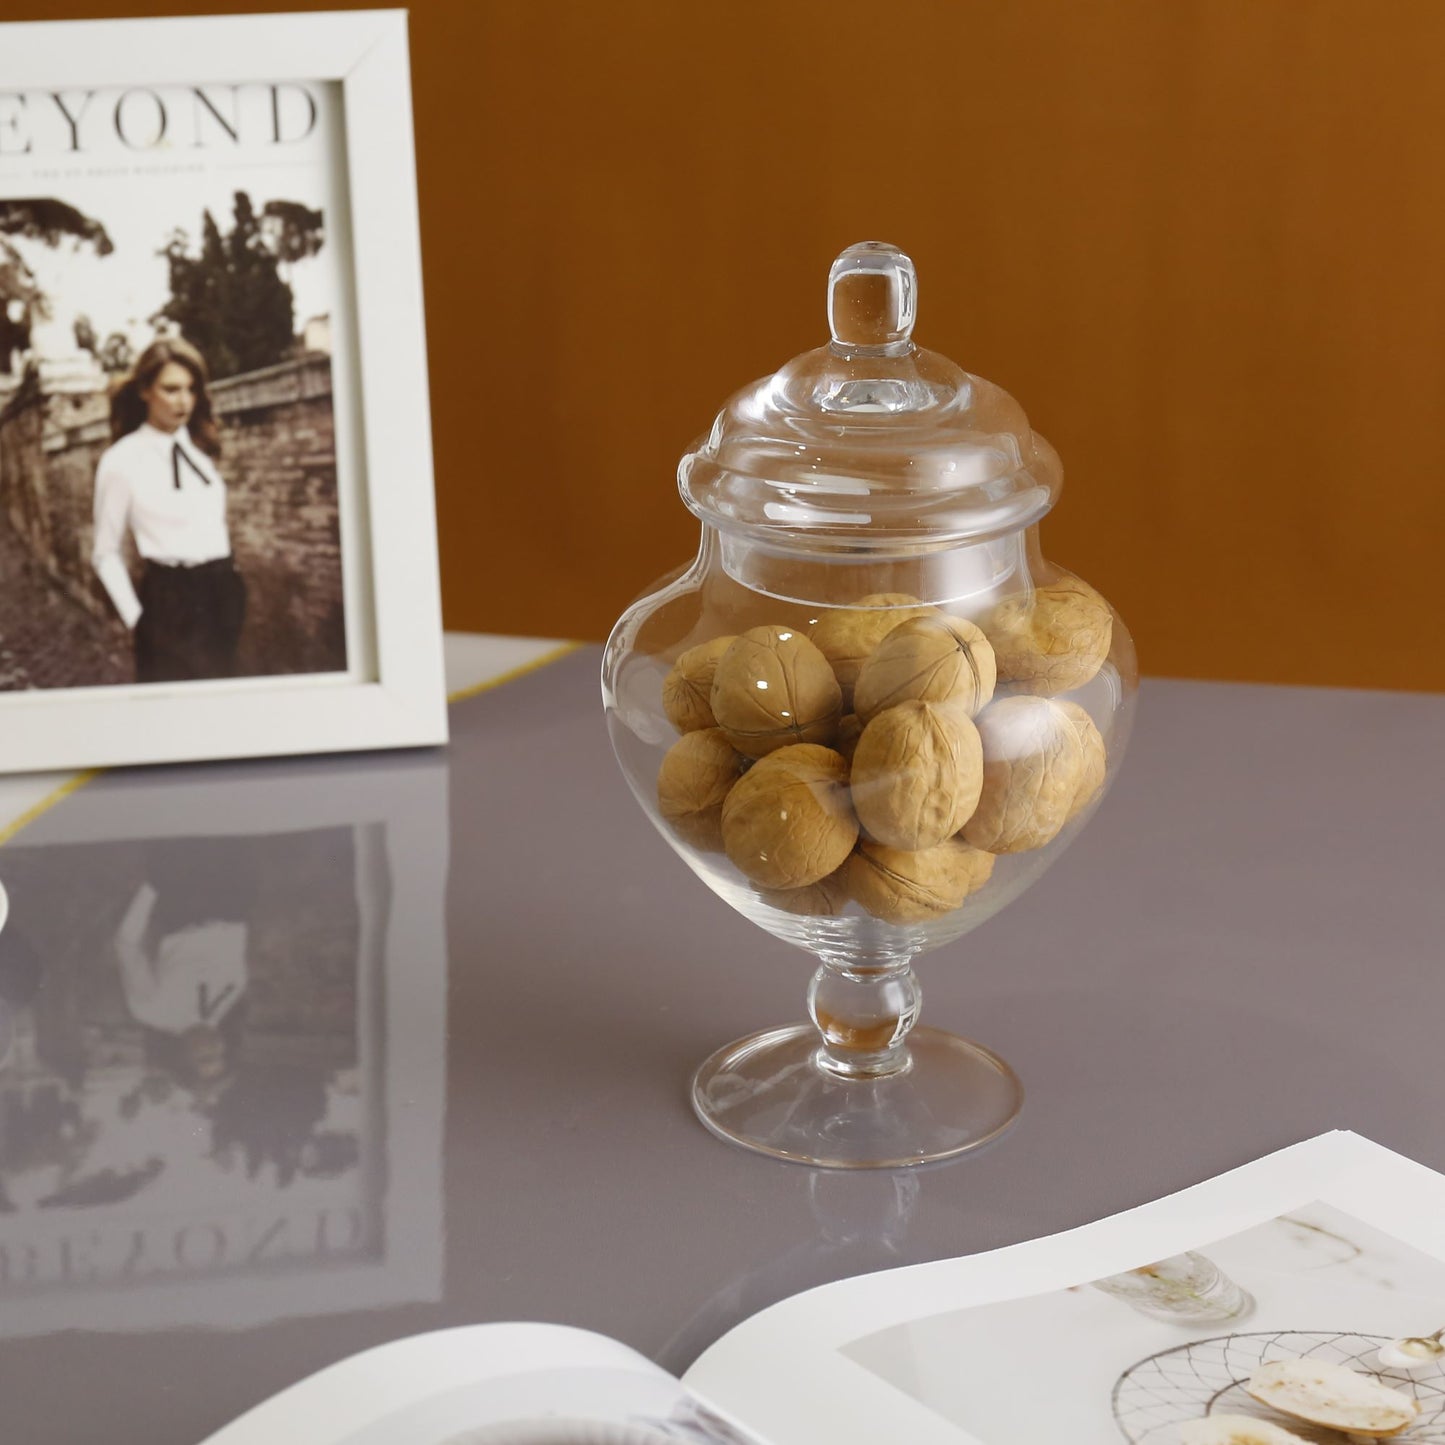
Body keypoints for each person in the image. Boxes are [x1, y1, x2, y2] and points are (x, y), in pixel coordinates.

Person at [92, 337, 246, 683]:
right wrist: (139, 621)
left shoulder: (200, 452)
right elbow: (104, 553)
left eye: (191, 390)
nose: (184, 401)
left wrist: (233, 586)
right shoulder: (122, 461)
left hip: (222, 594)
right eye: (171, 389)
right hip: (170, 602)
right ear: (145, 390)